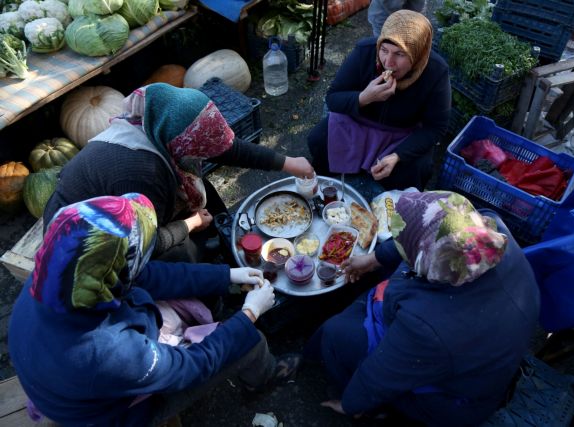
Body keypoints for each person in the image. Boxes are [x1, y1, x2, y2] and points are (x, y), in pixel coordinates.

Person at [9, 193, 300, 426]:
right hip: (115, 413)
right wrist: (249, 313)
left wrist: (226, 276)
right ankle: (263, 379)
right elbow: (190, 367)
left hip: (69, 378)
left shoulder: (58, 277)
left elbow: (148, 275)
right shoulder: (109, 351)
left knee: (182, 271)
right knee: (247, 342)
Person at [306, 191, 540, 425]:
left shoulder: (426, 326)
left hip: (452, 396)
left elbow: (382, 373)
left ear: (427, 260)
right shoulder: (489, 232)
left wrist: (351, 404)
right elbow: (424, 237)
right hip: (474, 350)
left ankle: (374, 409)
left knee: (335, 333)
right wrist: (375, 258)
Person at [43, 83, 314, 263]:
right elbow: (144, 244)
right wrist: (189, 224)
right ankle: (210, 294)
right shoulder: (144, 175)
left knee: (203, 191)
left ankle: (220, 248)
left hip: (126, 202)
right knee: (183, 253)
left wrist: (288, 163)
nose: (208, 150)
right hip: (79, 241)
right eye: (201, 146)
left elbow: (225, 148)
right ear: (184, 143)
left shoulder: (156, 126)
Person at [307, 10, 450, 191]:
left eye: (400, 54)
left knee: (418, 170)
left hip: (399, 136)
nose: (388, 62)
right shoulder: (365, 52)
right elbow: (333, 97)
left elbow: (436, 127)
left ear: (417, 53)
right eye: (384, 50)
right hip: (356, 124)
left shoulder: (435, 71)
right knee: (318, 140)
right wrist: (363, 98)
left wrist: (398, 155)